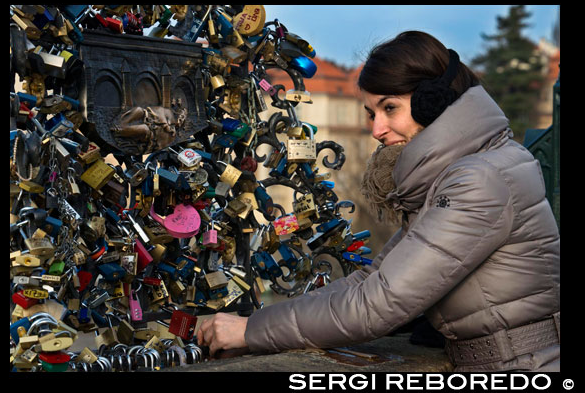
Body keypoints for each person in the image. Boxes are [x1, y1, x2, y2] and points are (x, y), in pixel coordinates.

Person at [197, 31, 560, 372]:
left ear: (433, 104)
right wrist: (255, 324)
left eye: (390, 108)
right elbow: (373, 280)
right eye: (371, 113)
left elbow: (379, 303)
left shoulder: (479, 179)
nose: (376, 129)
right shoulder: (472, 168)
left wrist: (248, 333)